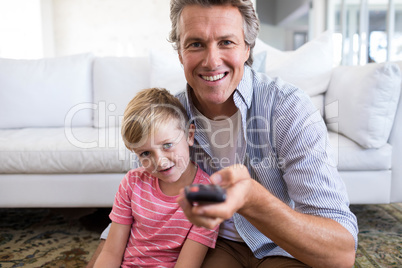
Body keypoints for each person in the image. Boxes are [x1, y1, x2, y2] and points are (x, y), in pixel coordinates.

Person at [88, 1, 359, 267]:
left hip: (284, 246)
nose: (211, 61)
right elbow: (135, 206)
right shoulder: (168, 117)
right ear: (180, 53)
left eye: (226, 42)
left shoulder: (289, 108)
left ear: (247, 48)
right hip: (212, 246)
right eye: (195, 44)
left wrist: (251, 199)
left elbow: (340, 254)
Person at [93, 87, 219, 268]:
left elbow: (188, 264)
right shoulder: (131, 183)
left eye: (167, 145)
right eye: (145, 153)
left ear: (189, 136)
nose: (159, 161)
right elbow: (111, 252)